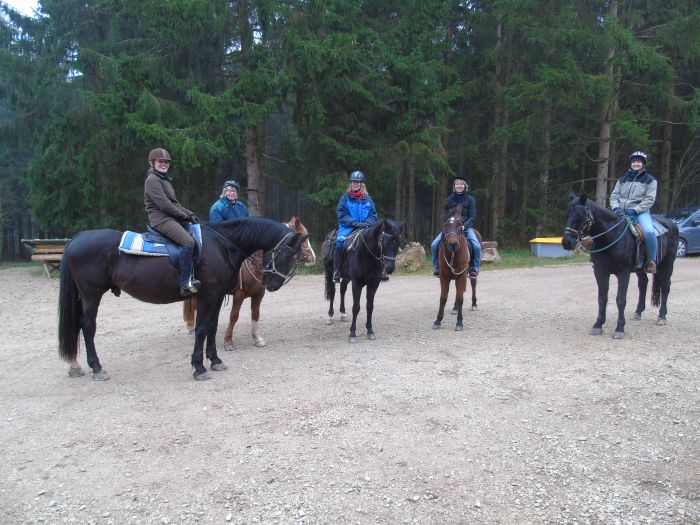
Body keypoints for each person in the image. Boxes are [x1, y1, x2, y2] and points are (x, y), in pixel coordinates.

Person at [143, 147, 201, 296]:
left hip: (171, 217)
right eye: (160, 161)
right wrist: (183, 216)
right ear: (152, 163)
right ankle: (184, 283)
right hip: (161, 219)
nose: (164, 164)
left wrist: (190, 213)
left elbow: (175, 203)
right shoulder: (152, 180)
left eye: (166, 162)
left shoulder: (164, 180)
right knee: (188, 242)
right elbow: (164, 205)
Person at [610, 150, 658, 273]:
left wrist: (635, 210)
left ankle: (651, 261)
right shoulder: (622, 180)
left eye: (639, 162)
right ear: (630, 164)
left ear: (643, 164)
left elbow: (649, 199)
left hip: (640, 212)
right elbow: (614, 196)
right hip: (620, 211)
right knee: (604, 227)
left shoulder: (650, 180)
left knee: (649, 232)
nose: (636, 164)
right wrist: (616, 208)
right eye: (634, 162)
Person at [431, 175, 481, 279]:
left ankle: (475, 267)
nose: (459, 185)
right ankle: (436, 267)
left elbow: (472, 216)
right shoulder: (450, 199)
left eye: (461, 184)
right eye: (457, 184)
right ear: (454, 186)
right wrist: (447, 223)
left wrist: (464, 226)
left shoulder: (470, 199)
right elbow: (446, 214)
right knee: (434, 244)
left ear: (465, 186)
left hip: (465, 227)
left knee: (476, 246)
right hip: (451, 228)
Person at [333, 170, 379, 283]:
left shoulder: (368, 200)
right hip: (347, 227)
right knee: (339, 243)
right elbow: (341, 214)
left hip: (365, 227)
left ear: (361, 184)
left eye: (357, 182)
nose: (355, 184)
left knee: (377, 243)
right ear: (351, 183)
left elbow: (373, 215)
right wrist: (354, 223)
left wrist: (366, 224)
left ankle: (379, 271)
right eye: (353, 182)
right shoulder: (345, 198)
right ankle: (337, 271)